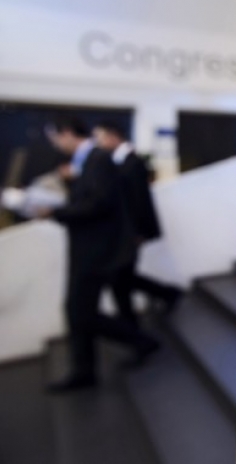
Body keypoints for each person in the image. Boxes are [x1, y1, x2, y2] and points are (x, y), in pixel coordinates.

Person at [41, 116, 159, 393]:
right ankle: (86, 369)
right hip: (89, 246)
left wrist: (56, 212)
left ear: (67, 132)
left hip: (99, 249)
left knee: (81, 311)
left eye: (56, 138)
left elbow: (100, 203)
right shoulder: (89, 161)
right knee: (78, 310)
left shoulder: (99, 159)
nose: (56, 145)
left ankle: (141, 341)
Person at [92, 121, 182, 326]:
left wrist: (138, 232)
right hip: (125, 230)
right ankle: (163, 296)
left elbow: (139, 200)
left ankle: (162, 298)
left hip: (131, 231)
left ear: (113, 136)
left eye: (101, 138)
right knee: (121, 276)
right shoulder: (120, 161)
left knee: (120, 276)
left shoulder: (132, 162)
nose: (99, 143)